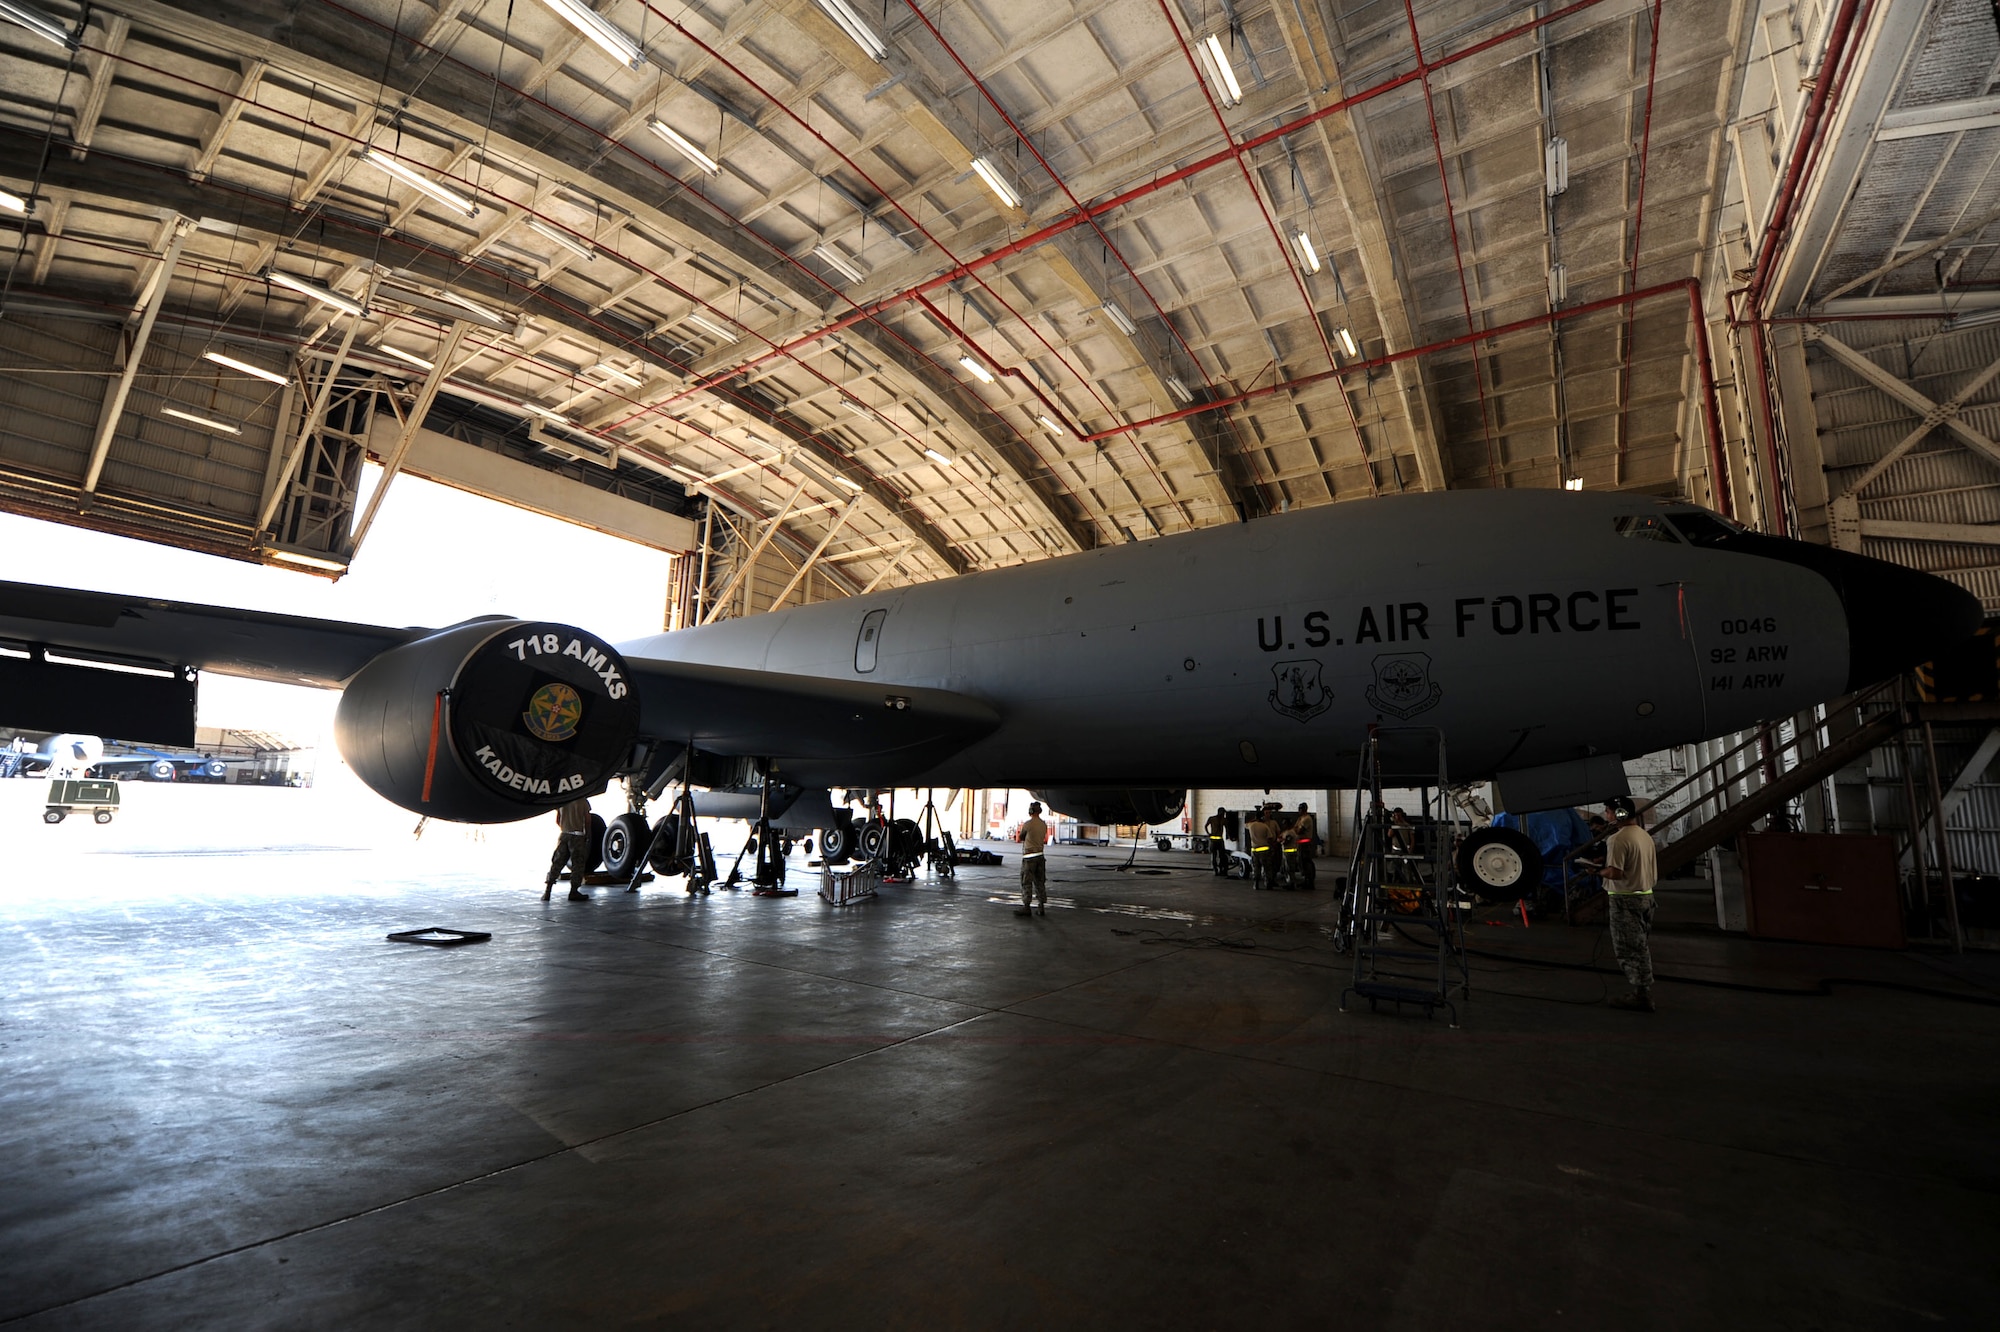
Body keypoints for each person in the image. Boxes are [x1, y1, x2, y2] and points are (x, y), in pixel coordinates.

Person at [1597, 796, 1659, 1011]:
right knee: (1640, 945)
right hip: (1646, 898)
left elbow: (1616, 872)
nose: (1606, 814)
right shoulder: (1644, 835)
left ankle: (1641, 995)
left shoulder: (1617, 839)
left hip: (1625, 899)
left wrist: (1596, 871)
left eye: (1608, 811)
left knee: (1630, 948)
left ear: (1620, 814)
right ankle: (1642, 991)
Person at [544, 796, 595, 902]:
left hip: (564, 835)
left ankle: (547, 891)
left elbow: (557, 820)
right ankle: (574, 891)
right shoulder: (583, 801)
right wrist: (588, 835)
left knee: (557, 862)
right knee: (578, 864)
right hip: (578, 836)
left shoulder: (562, 800)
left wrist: (566, 827)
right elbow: (588, 820)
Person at [1016, 801, 1049, 916]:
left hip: (1029, 857)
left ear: (1031, 811)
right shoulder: (1043, 824)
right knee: (1040, 882)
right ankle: (1041, 907)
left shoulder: (1028, 824)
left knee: (1026, 882)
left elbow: (1020, 837)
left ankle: (1026, 907)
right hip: (1040, 856)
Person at [1289, 802, 1318, 890]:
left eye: (1300, 809)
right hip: (1300, 843)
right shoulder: (1300, 819)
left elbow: (1298, 831)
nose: (1299, 811)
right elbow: (1295, 828)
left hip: (1305, 844)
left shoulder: (1306, 819)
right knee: (1302, 862)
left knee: (1306, 862)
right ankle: (1306, 880)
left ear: (1304, 810)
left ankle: (1309, 882)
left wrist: (1296, 829)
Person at [1206, 807, 1230, 875]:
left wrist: (1209, 834)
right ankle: (1216, 869)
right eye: (1223, 813)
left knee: (1219, 856)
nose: (1224, 814)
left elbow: (1206, 826)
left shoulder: (1218, 819)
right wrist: (1209, 833)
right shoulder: (1215, 819)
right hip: (1217, 840)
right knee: (1216, 856)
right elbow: (1227, 829)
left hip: (1216, 840)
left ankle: (1218, 869)